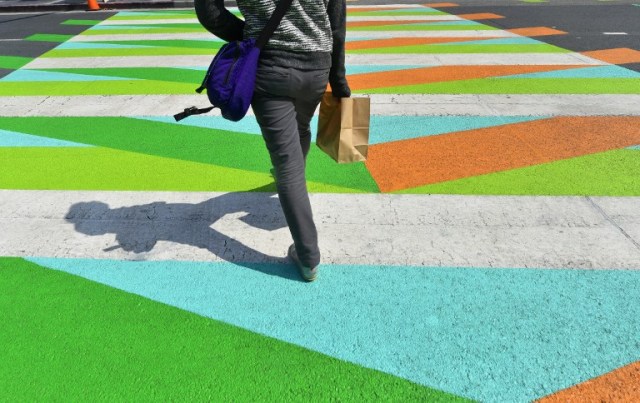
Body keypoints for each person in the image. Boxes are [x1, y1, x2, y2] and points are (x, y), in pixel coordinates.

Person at [195, 0, 351, 281]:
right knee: (300, 130)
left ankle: (308, 257)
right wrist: (338, 81)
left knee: (286, 165)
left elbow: (209, 12)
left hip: (270, 68)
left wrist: (249, 34)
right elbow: (336, 21)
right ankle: (295, 194)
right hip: (316, 65)